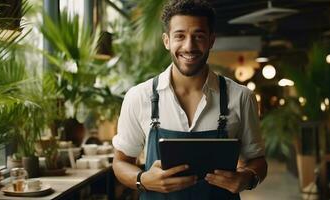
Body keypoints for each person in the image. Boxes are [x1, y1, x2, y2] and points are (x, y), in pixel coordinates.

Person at [112, 0, 267, 199]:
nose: (189, 46)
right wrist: (142, 179)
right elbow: (120, 162)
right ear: (167, 41)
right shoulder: (138, 97)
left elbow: (258, 161)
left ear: (211, 40)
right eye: (180, 36)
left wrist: (247, 178)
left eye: (199, 36)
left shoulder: (241, 97)